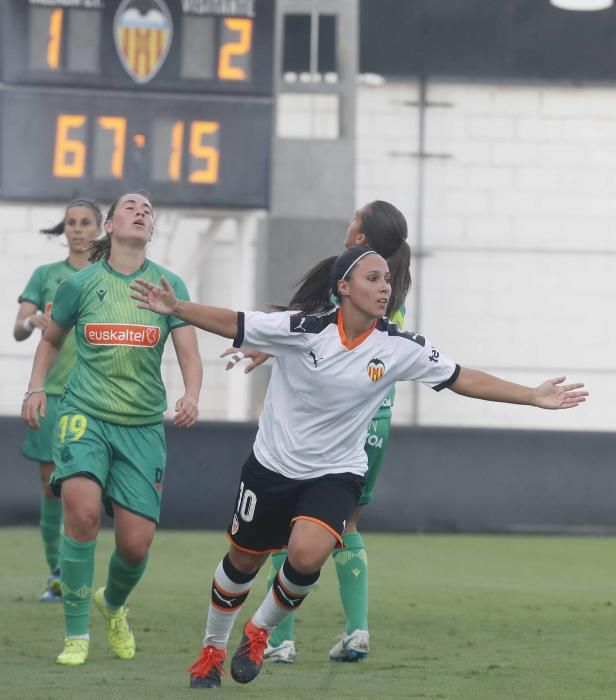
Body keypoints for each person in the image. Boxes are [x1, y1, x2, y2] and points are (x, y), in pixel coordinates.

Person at [129, 245, 587, 690]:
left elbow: (461, 376)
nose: (384, 287)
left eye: (387, 279)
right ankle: (211, 649)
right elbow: (233, 321)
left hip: (337, 471)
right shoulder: (301, 328)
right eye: (373, 278)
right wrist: (177, 307)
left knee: (309, 555)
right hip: (273, 467)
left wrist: (531, 395)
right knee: (243, 562)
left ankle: (259, 633)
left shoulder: (398, 346)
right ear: (344, 287)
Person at [224, 200, 411, 663]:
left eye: (355, 218)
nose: (348, 222)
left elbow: (312, 336)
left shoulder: (350, 282)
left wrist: (269, 346)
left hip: (331, 423)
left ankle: (278, 639)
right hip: (375, 423)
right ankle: (357, 630)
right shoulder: (392, 287)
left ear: (362, 236)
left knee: (283, 525)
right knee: (345, 526)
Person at [21, 191, 203, 667]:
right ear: (110, 224)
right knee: (80, 514)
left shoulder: (169, 283)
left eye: (148, 210)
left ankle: (113, 604)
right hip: (85, 414)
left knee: (135, 544)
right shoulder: (81, 285)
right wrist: (35, 387)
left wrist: (191, 395)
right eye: (131, 207)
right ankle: (76, 634)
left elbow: (189, 352)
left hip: (142, 426)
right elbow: (50, 341)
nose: (142, 213)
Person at [15, 198, 103, 602]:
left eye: (86, 222)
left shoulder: (108, 277)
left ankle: (79, 568)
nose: (78, 229)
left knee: (85, 490)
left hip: (94, 399)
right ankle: (56, 572)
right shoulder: (47, 275)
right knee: (52, 486)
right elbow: (18, 329)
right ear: (64, 228)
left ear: (100, 228)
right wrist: (28, 322)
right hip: (52, 395)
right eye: (72, 222)